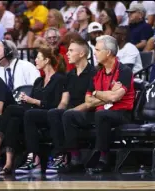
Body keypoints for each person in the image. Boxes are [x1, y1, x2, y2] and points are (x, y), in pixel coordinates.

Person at [0, 45, 66, 174]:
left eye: (38, 58)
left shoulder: (59, 79)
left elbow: (56, 105)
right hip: (33, 113)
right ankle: (8, 164)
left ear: (46, 60)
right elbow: (32, 104)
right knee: (13, 118)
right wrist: (27, 100)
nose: (35, 60)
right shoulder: (39, 81)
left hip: (50, 114)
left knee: (14, 110)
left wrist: (34, 101)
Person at [57, 35, 135, 174]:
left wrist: (97, 94)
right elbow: (88, 100)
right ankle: (75, 159)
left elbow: (116, 97)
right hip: (100, 112)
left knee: (101, 114)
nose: (94, 53)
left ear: (108, 52)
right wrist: (104, 94)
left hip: (121, 113)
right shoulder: (97, 72)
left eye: (98, 50)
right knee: (69, 115)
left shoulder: (124, 71)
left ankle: (103, 159)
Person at [45, 38, 96, 173]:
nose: (67, 53)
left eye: (71, 50)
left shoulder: (94, 73)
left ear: (82, 54)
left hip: (89, 113)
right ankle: (61, 155)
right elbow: (64, 101)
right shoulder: (70, 75)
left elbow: (91, 102)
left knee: (67, 115)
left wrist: (69, 112)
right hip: (71, 113)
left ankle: (75, 159)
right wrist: (58, 112)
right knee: (54, 113)